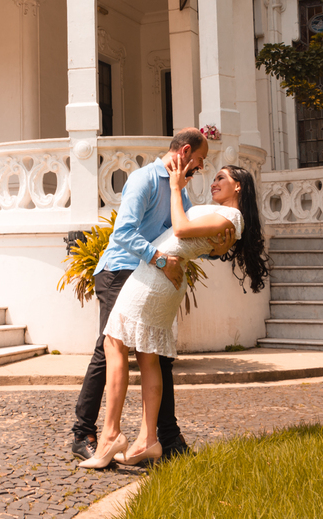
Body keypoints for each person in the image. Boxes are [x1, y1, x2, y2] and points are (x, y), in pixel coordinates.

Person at [78, 160, 266, 469]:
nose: (213, 181)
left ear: (238, 186)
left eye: (222, 177)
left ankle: (111, 437)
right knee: (149, 356)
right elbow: (194, 241)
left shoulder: (231, 216)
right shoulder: (222, 215)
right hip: (163, 277)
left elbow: (179, 228)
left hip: (156, 279)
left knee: (114, 343)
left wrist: (177, 188)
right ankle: (148, 440)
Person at [70, 128, 214, 464]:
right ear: (186, 152)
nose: (200, 168)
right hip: (119, 271)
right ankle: (83, 434)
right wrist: (161, 260)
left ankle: (166, 438)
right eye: (200, 161)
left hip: (148, 273)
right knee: (108, 351)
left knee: (158, 355)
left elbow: (187, 233)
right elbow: (123, 234)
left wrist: (220, 242)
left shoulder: (179, 191)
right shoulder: (144, 179)